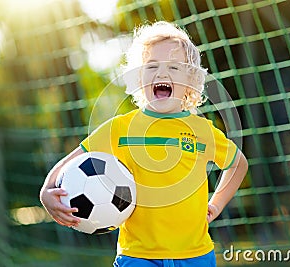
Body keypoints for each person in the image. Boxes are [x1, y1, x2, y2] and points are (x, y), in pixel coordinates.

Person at [40, 21, 248, 267]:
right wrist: (46, 192)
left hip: (196, 256)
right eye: (151, 67)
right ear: (138, 77)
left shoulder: (202, 131)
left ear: (191, 80)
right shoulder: (119, 128)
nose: (162, 73)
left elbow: (237, 165)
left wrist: (216, 204)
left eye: (174, 67)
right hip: (137, 256)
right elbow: (69, 163)